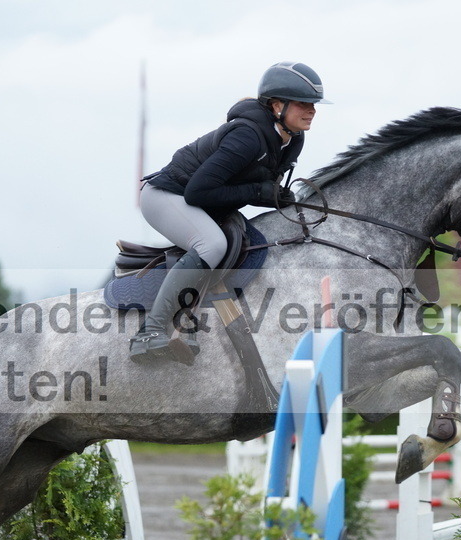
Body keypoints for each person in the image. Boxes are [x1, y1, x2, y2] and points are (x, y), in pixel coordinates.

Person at [129, 61, 329, 364]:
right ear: (277, 105)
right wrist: (257, 193)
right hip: (167, 196)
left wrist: (276, 197)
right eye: (303, 103)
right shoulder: (247, 137)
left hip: (205, 203)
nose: (312, 110)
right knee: (213, 244)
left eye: (313, 103)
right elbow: (198, 192)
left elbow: (252, 187)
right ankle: (150, 331)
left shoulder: (293, 139)